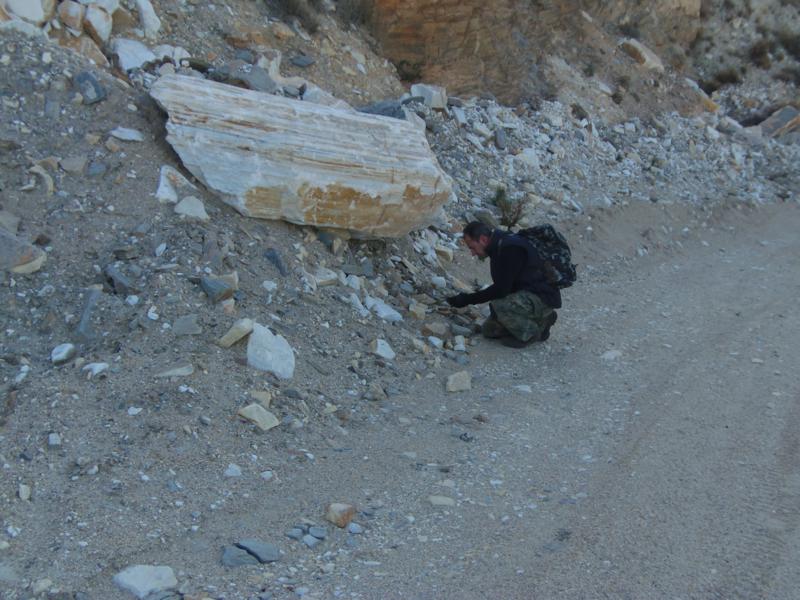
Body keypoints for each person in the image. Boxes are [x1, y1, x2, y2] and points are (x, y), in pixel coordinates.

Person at [446, 221, 561, 348]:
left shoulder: (510, 249)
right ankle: (543, 321)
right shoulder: (499, 245)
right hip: (528, 295)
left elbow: (501, 290)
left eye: (472, 247)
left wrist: (467, 299)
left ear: (483, 239)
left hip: (542, 297)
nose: (473, 253)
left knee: (500, 305)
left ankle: (531, 333)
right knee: (489, 330)